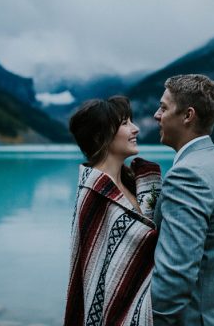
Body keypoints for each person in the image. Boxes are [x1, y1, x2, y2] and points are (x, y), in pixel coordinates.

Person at [64, 96, 162, 326]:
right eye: (125, 123)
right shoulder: (94, 194)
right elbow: (94, 274)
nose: (135, 129)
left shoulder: (135, 184)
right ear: (101, 136)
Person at [151, 74, 214, 326]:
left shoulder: (187, 175)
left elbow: (173, 280)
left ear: (187, 116)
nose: (157, 115)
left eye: (164, 107)